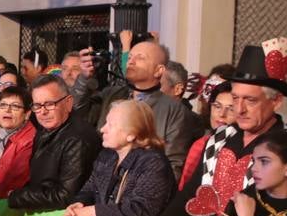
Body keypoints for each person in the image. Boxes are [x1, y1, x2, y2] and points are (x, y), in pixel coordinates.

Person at [146, 39, 287, 216]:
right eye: (235, 98)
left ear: (276, 101)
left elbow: (258, 214)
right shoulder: (221, 137)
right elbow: (191, 192)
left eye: (250, 100)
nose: (239, 109)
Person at [73, 38, 195, 176]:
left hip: (144, 187)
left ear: (158, 70)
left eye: (140, 57)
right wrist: (84, 79)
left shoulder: (174, 110)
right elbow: (77, 114)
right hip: (101, 180)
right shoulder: (111, 95)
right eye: (130, 56)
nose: (131, 61)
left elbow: (173, 165)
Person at [64, 99, 176, 216]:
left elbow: (142, 211)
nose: (102, 129)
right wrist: (80, 204)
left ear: (131, 135)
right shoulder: (107, 156)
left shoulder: (154, 163)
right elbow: (90, 189)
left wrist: (92, 212)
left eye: (110, 125)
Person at [7, 75, 100, 214]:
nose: (43, 112)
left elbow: (66, 196)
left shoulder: (78, 139)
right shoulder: (45, 128)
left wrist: (17, 196)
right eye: (37, 105)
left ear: (68, 103)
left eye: (50, 104)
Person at [179, 80, 235, 189]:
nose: (222, 114)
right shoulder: (200, 144)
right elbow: (184, 188)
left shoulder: (245, 148)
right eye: (217, 106)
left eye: (231, 109)